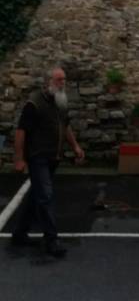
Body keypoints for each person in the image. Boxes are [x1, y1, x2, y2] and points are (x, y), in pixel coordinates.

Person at [11, 66, 84, 257]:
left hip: (54, 157)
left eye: (64, 80)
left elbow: (65, 126)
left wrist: (75, 147)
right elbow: (21, 131)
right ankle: (52, 240)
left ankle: (19, 234)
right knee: (45, 195)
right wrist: (19, 159)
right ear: (48, 82)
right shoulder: (34, 102)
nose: (62, 83)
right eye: (58, 80)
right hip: (38, 157)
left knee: (37, 195)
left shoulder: (61, 102)